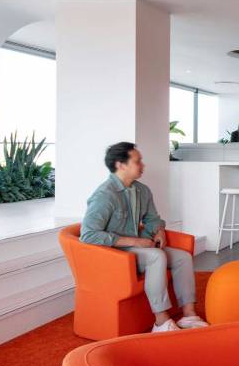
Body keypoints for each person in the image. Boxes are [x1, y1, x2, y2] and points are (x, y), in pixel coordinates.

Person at [81, 142, 208, 333]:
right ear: (120, 165)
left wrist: (159, 231)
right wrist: (135, 241)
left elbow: (153, 219)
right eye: (137, 161)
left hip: (139, 249)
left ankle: (188, 315)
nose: (143, 165)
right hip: (115, 253)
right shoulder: (104, 195)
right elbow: (88, 234)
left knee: (183, 257)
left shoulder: (142, 190)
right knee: (157, 257)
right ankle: (161, 321)